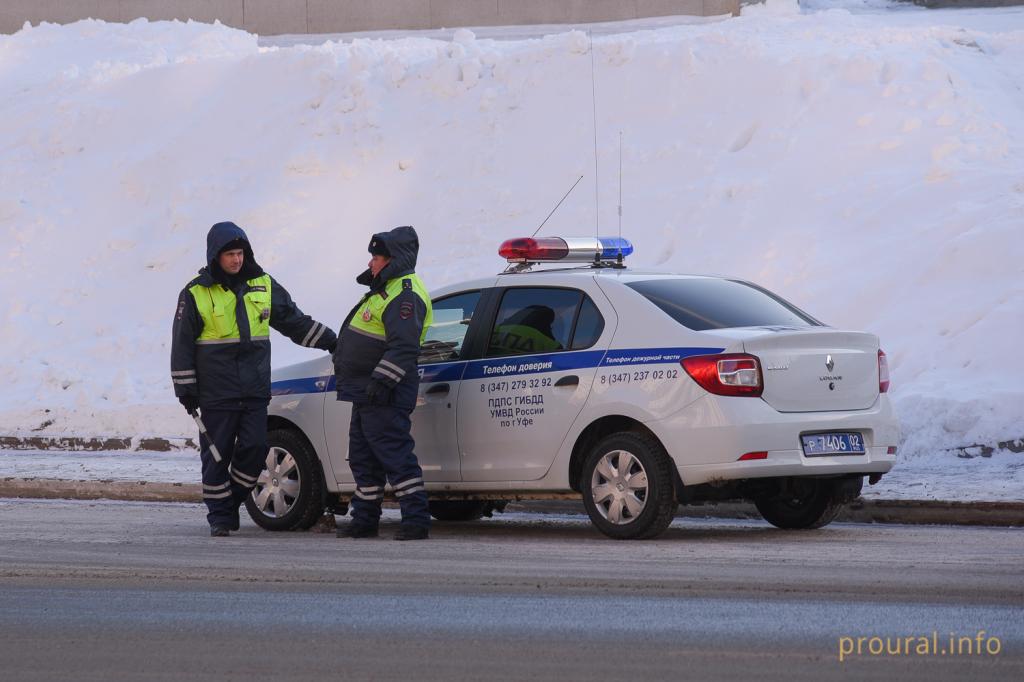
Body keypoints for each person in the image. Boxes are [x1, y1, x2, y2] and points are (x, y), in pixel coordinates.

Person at [171, 221, 337, 536]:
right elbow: (182, 344)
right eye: (230, 254)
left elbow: (293, 321)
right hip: (216, 391)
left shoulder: (262, 284)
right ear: (215, 257)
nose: (236, 259)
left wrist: (331, 340)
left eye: (240, 253)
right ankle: (219, 517)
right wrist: (185, 388)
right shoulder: (195, 293)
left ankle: (231, 499)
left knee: (255, 449)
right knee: (217, 455)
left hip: (254, 388)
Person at [332, 225, 433, 541]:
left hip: (385, 391)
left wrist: (381, 381)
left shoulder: (405, 295)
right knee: (363, 458)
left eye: (377, 256)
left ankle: (416, 520)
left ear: (393, 259)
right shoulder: (384, 290)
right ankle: (364, 520)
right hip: (368, 390)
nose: (371, 263)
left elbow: (404, 347)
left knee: (395, 455)